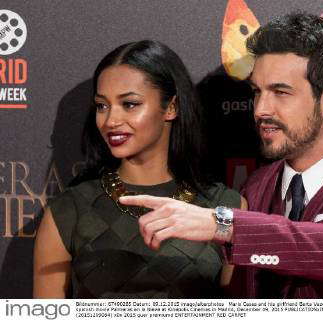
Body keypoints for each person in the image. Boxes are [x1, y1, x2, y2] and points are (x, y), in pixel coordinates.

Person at [119, 12, 323, 298]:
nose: (260, 110)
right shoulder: (256, 187)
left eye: (281, 92)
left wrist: (222, 224)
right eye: (257, 92)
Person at [33, 40, 246, 298]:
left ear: (171, 107)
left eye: (130, 104)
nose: (111, 120)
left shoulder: (225, 207)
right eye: (102, 105)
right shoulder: (69, 211)